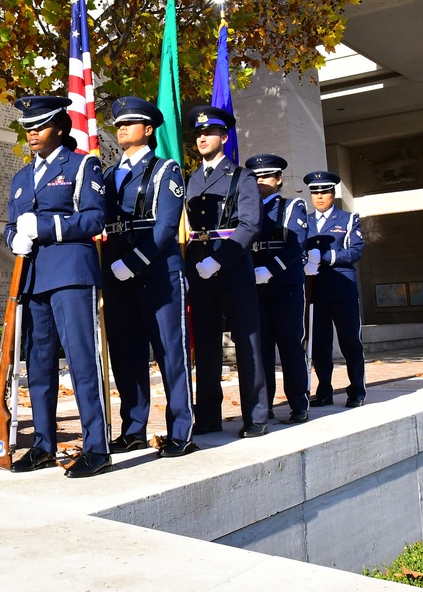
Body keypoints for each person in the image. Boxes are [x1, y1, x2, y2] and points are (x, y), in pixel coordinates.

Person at [4, 95, 110, 478]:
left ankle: (97, 447)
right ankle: (44, 445)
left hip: (71, 274)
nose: (32, 133)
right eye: (28, 128)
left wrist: (45, 227)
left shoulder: (82, 165)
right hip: (33, 279)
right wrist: (13, 237)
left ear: (60, 129)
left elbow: (95, 219)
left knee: (82, 361)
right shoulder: (20, 177)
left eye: (40, 126)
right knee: (39, 366)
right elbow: (12, 225)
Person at [101, 96, 194, 458]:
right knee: (126, 354)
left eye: (130, 123)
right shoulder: (108, 174)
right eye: (119, 124)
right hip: (115, 273)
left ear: (148, 129)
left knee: (170, 353)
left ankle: (181, 430)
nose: (121, 128)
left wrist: (135, 261)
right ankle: (134, 428)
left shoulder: (164, 169)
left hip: (156, 273)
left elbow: (167, 225)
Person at [184, 105, 269, 438]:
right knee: (205, 347)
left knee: (247, 344)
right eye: (199, 134)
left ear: (223, 136)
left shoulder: (242, 176)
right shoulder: (191, 178)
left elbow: (250, 225)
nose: (202, 138)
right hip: (198, 271)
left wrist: (218, 260)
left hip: (232, 269)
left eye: (209, 133)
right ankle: (207, 416)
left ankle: (256, 415)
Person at [244, 153, 310, 423]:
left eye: (266, 176)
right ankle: (264, 405)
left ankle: (298, 404)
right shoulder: (245, 209)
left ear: (279, 179)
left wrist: (270, 270)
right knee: (261, 349)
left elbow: (295, 245)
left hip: (285, 286)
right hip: (254, 286)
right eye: (255, 177)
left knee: (290, 345)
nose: (260, 181)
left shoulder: (293, 206)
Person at [303, 171, 366, 408]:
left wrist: (328, 256)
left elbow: (355, 251)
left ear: (333, 193)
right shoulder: (304, 221)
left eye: (324, 192)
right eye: (315, 193)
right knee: (319, 344)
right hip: (315, 291)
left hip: (342, 289)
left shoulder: (348, 219)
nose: (319, 197)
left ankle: (357, 390)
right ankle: (324, 391)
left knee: (351, 341)